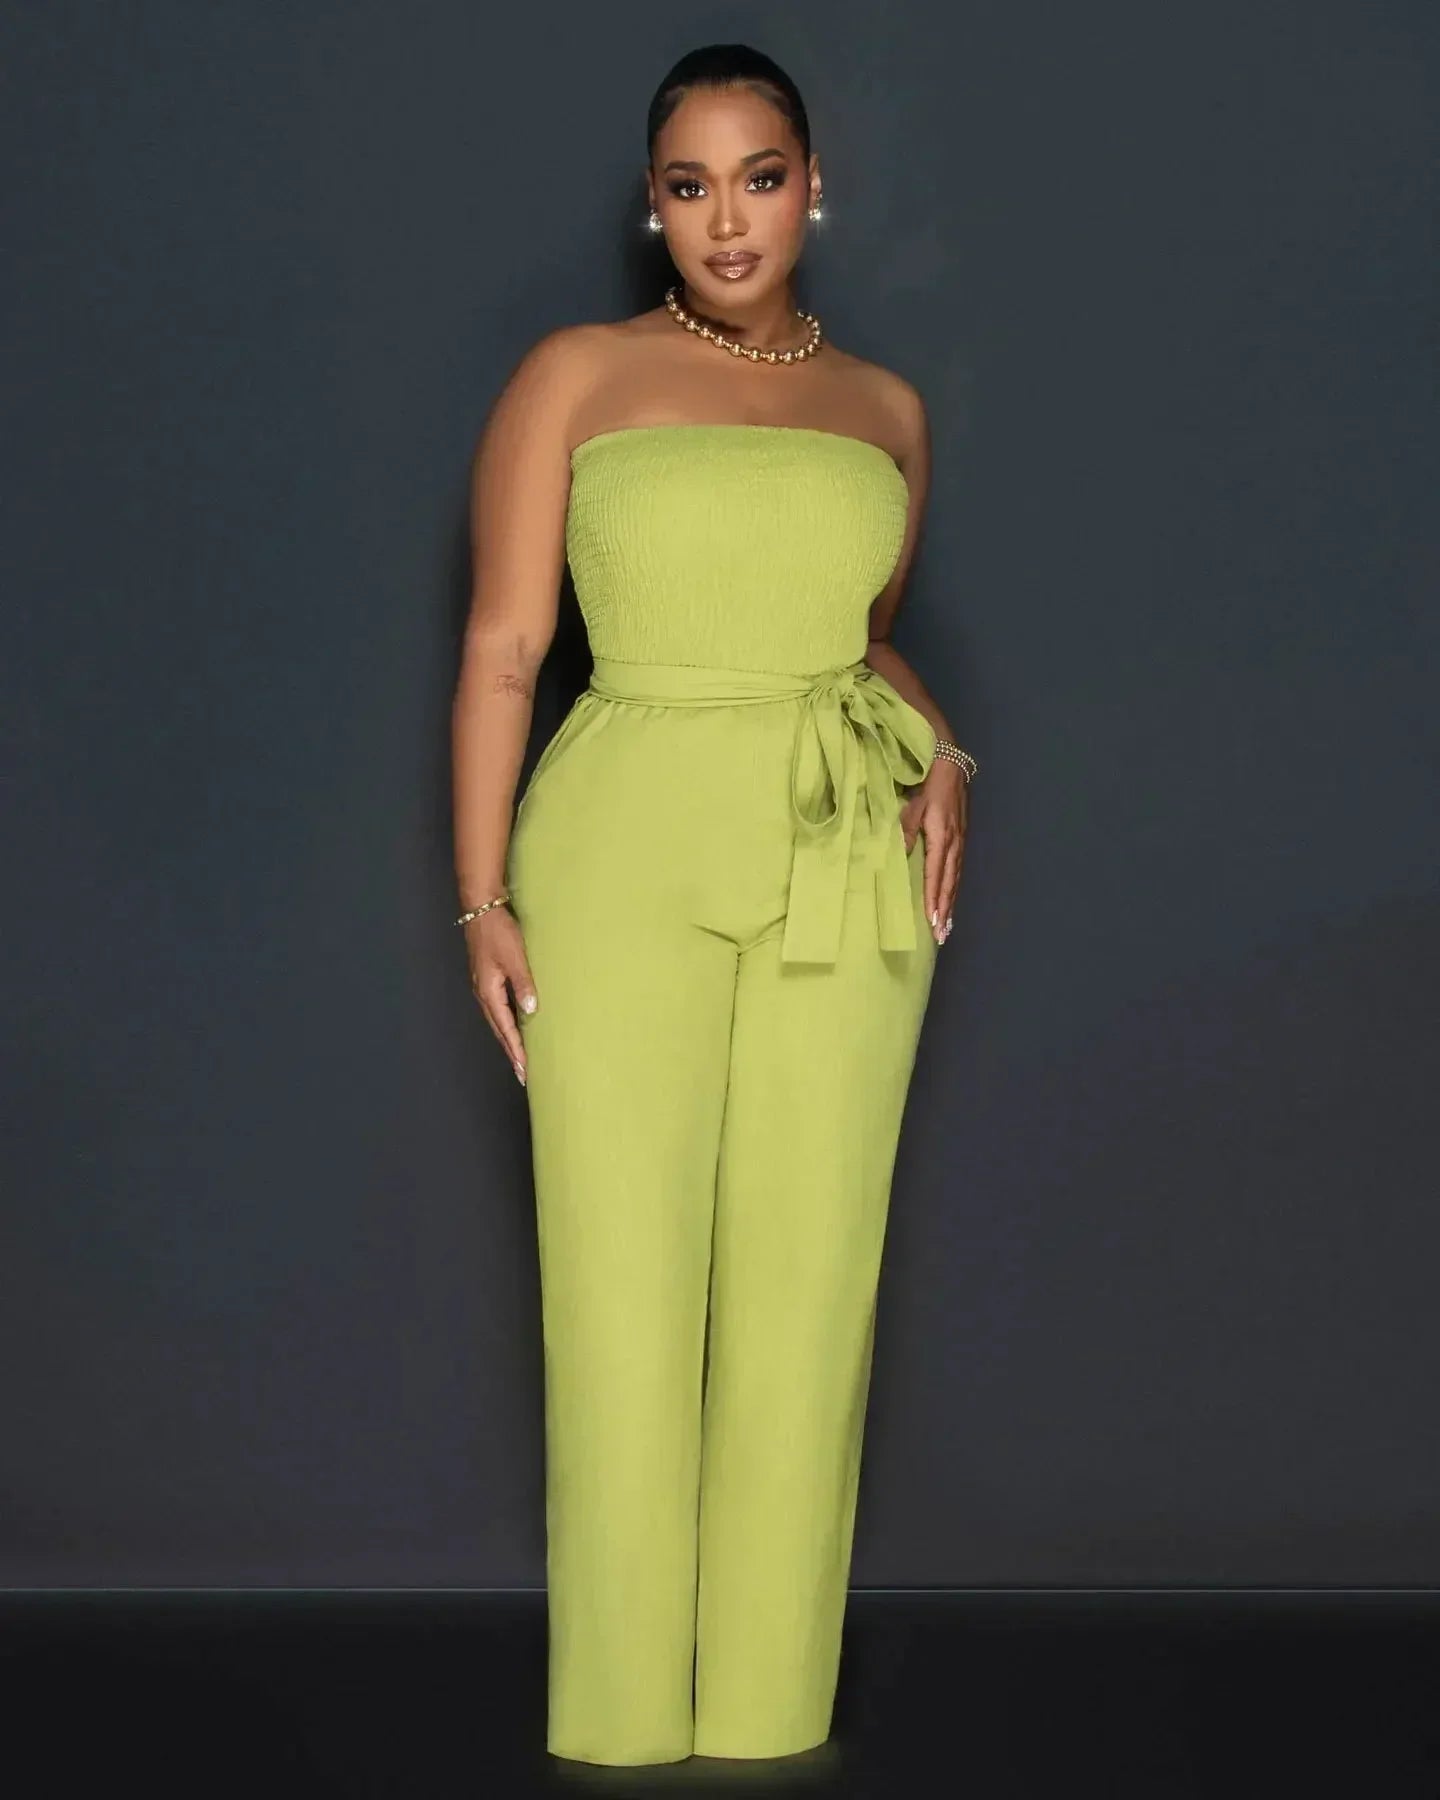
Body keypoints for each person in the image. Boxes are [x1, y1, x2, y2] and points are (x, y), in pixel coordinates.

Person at [450, 41, 976, 1768]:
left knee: (809, 1296)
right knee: (619, 1292)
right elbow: (506, 647)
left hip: (845, 858)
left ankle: (767, 1711)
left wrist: (948, 751)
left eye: (760, 178)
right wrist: (481, 899)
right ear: (653, 206)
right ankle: (618, 1716)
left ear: (814, 188)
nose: (727, 219)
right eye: (691, 185)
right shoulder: (578, 374)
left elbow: (857, 636)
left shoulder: (887, 410)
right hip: (620, 852)